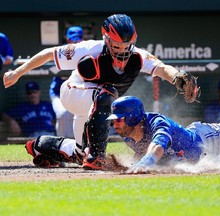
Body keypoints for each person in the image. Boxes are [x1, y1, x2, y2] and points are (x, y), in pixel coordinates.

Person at [3, 14, 199, 170]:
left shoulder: (138, 55)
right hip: (73, 93)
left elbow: (161, 68)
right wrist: (18, 72)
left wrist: (177, 78)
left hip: (93, 106)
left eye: (126, 46)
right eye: (116, 45)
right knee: (107, 96)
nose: (122, 51)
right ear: (106, 39)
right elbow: (48, 54)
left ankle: (39, 146)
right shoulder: (90, 48)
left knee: (80, 153)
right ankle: (96, 156)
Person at [24, 70, 220, 173]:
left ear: (135, 119)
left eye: (119, 119)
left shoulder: (157, 126)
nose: (114, 124)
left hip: (212, 139)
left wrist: (144, 163)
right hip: (195, 151)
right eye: (114, 120)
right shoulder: (128, 131)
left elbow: (158, 148)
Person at [50, 26, 84, 138]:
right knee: (63, 114)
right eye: (73, 39)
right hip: (58, 93)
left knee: (81, 115)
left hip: (77, 93)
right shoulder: (62, 52)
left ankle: (78, 144)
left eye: (78, 39)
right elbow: (52, 69)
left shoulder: (86, 50)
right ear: (68, 39)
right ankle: (61, 142)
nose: (75, 41)